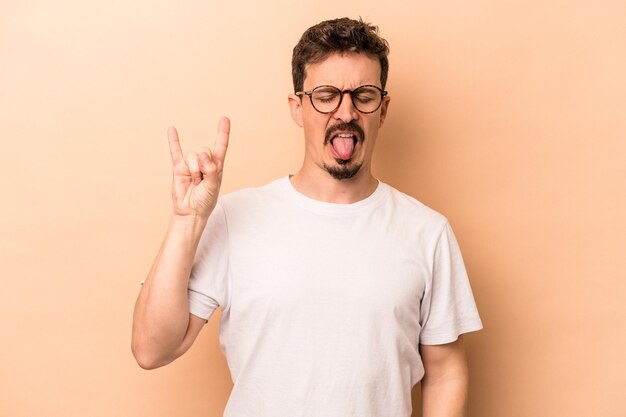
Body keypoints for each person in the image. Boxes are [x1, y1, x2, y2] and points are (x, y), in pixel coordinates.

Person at [132, 17, 482, 417]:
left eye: (363, 95)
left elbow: (446, 371)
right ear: (297, 108)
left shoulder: (428, 232)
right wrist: (186, 221)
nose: (345, 112)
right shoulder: (233, 218)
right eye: (326, 95)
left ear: (383, 109)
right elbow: (151, 349)